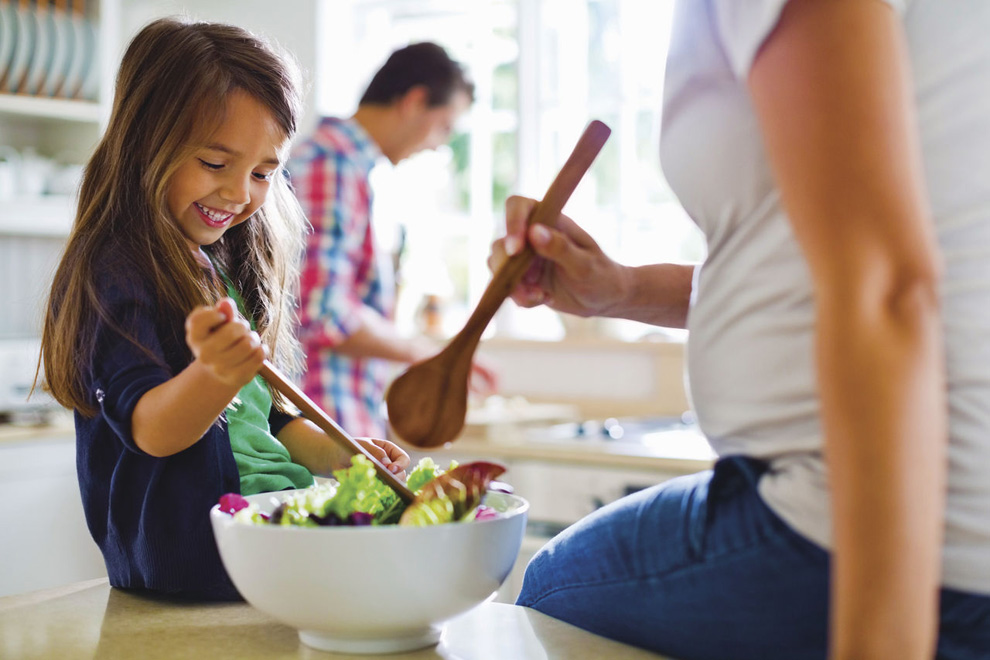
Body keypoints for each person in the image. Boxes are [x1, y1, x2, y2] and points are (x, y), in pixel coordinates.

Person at [490, 1, 990, 658]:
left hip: (890, 527)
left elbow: (885, 287)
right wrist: (624, 289)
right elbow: (813, 271)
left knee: (554, 596)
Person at [37, 18, 410, 601]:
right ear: (147, 142)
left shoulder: (223, 266)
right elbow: (152, 429)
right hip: (200, 567)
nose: (241, 194)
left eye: (264, 172)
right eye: (215, 164)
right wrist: (215, 375)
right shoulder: (114, 269)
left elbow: (267, 424)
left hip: (271, 541)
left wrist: (344, 455)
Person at [288, 42, 497, 440]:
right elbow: (323, 310)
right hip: (324, 419)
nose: (438, 144)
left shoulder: (347, 166)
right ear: (415, 101)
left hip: (340, 417)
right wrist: (424, 353)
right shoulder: (331, 165)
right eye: (444, 126)